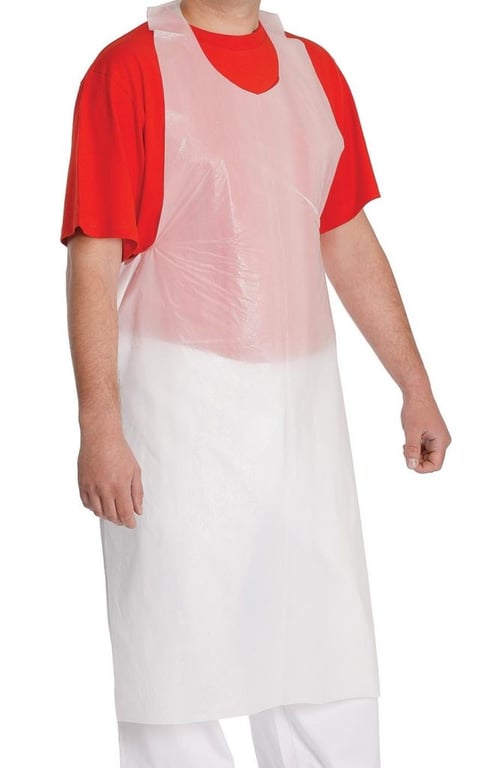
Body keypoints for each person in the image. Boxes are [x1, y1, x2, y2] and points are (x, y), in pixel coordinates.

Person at [61, 1, 452, 765]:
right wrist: (100, 423)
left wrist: (415, 385)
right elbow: (93, 255)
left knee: (325, 654)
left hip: (304, 421)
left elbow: (341, 231)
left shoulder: (313, 70)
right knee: (175, 666)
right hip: (176, 419)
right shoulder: (128, 71)